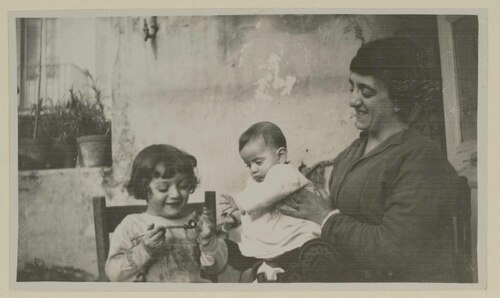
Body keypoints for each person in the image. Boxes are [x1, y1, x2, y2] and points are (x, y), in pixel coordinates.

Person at [279, 37, 463, 282]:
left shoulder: (420, 158)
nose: (353, 100)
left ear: (398, 100)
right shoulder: (357, 147)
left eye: (366, 91)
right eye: (352, 87)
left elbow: (393, 251)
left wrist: (326, 218)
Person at [219, 121, 326, 282]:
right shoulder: (258, 179)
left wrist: (241, 202)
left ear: (281, 156)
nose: (253, 169)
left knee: (297, 259)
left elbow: (272, 190)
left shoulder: (285, 173)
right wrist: (237, 207)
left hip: (300, 235)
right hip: (282, 237)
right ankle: (272, 273)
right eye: (248, 164)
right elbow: (254, 194)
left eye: (258, 162)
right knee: (270, 257)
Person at [105, 144, 228, 282]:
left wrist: (208, 239)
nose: (175, 194)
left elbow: (218, 268)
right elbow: (114, 275)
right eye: (163, 188)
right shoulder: (132, 225)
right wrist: (144, 250)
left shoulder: (196, 223)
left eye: (183, 186)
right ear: (144, 188)